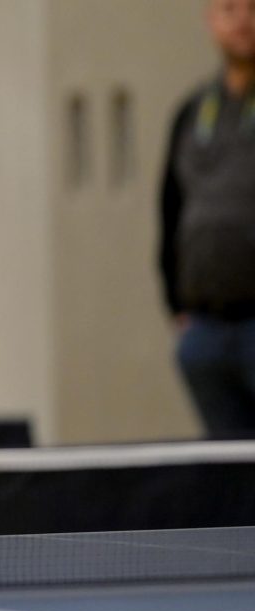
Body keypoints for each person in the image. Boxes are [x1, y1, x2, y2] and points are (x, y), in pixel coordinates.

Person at [159, 0, 255, 438]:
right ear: (211, 19)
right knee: (229, 480)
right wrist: (178, 306)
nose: (243, 21)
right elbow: (171, 210)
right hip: (205, 333)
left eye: (253, 8)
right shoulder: (193, 110)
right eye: (230, 8)